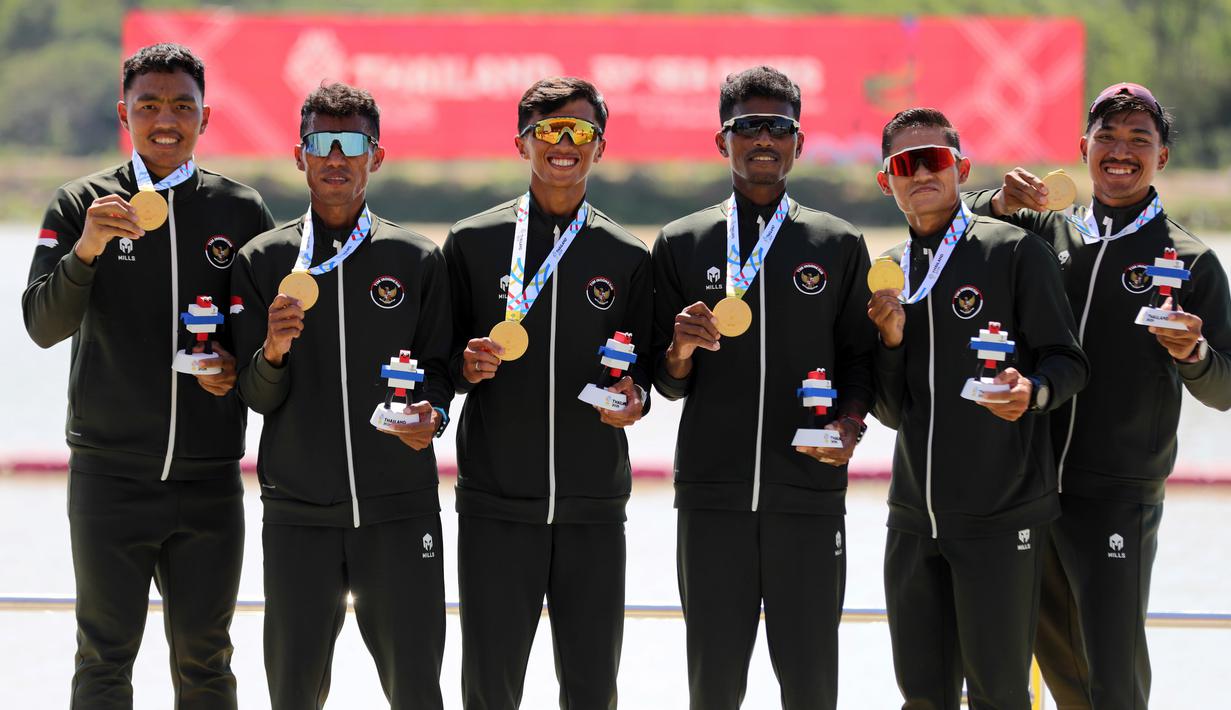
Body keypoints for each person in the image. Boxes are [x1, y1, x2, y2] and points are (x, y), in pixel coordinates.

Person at [21, 43, 273, 709]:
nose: (167, 119)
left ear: (206, 116)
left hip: (209, 479)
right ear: (123, 114)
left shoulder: (239, 210)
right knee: (103, 659)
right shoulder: (82, 203)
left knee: (206, 662)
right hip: (110, 476)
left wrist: (232, 369)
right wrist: (86, 251)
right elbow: (42, 326)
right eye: (150, 105)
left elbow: (267, 343)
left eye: (182, 106)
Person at [967, 82, 1231, 709]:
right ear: (1081, 147)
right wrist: (997, 198)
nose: (1121, 151)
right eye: (1107, 137)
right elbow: (959, 226)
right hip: (1026, 484)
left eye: (1139, 139)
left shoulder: (1190, 261)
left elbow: (1226, 387)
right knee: (1054, 666)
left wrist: (1191, 353)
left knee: (1112, 677)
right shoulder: (1039, 231)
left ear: (1162, 156)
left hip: (1116, 495)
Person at [652, 65, 875, 710]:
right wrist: (680, 348)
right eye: (746, 126)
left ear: (799, 143)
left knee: (811, 685)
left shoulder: (837, 242)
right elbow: (665, 384)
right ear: (721, 140)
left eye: (778, 127)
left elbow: (860, 363)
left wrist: (850, 428)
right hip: (712, 500)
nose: (763, 140)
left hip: (807, 493)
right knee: (713, 685)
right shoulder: (681, 243)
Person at [229, 83, 451, 709]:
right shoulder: (262, 259)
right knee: (294, 693)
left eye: (350, 143)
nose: (334, 157)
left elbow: (438, 371)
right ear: (299, 156)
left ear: (375, 156)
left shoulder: (416, 258)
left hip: (400, 510)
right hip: (299, 512)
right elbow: (255, 395)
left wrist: (431, 417)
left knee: (416, 691)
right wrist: (271, 349)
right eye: (319, 143)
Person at [868, 108, 1090, 710]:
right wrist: (889, 343)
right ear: (886, 181)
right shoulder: (888, 270)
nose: (920, 173)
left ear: (961, 168)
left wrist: (1032, 393)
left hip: (1002, 516)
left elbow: (1068, 363)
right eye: (903, 164)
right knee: (922, 696)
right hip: (914, 521)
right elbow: (890, 410)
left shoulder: (1014, 250)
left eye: (934, 159)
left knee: (998, 695)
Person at [442, 77, 652, 709]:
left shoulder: (625, 255)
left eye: (580, 131)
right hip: (496, 506)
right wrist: (463, 367)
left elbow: (641, 377)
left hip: (593, 508)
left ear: (601, 146)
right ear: (521, 142)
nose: (564, 143)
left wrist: (636, 400)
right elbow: (436, 361)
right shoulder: (473, 243)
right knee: (490, 688)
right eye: (549, 130)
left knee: (592, 690)